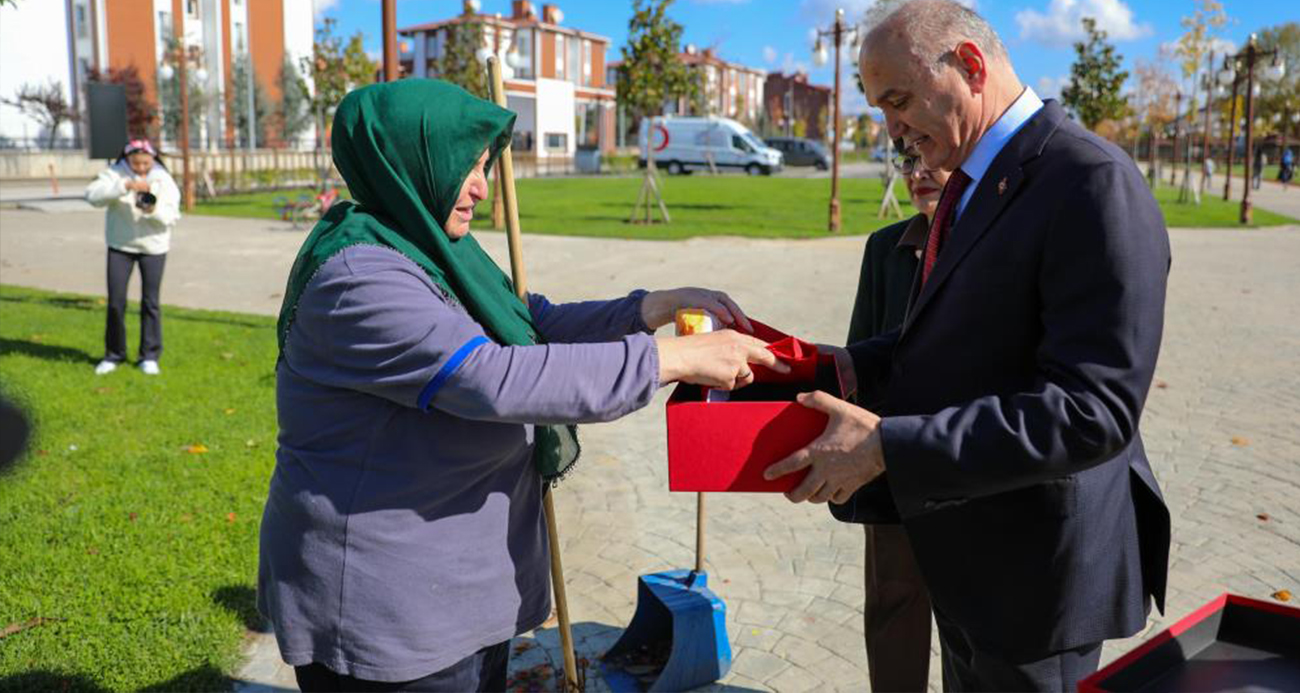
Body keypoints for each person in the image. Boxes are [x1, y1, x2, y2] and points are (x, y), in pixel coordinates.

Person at [258, 79, 786, 693]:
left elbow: (528, 324)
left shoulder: (426, 247)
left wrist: (650, 308)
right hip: (390, 607)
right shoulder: (359, 278)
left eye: (483, 166)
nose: (481, 187)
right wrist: (670, 360)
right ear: (411, 160)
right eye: (466, 167)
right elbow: (492, 377)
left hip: (456, 589)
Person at [765, 1, 1171, 691]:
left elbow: (1091, 411)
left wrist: (887, 447)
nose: (892, 130)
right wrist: (833, 366)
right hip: (970, 558)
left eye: (899, 100)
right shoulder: (982, 180)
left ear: (971, 66)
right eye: (879, 108)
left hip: (1039, 584)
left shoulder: (1089, 182)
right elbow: (958, 332)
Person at [834, 142, 949, 692]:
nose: (917, 172)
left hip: (964, 463)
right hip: (890, 466)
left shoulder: (986, 249)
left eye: (928, 156)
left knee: (968, 627)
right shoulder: (884, 248)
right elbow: (859, 354)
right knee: (893, 607)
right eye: (906, 162)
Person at [85, 139, 181, 376]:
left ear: (153, 159)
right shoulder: (115, 174)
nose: (140, 167)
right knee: (116, 302)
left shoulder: (163, 179)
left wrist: (152, 210)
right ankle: (113, 354)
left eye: (145, 162)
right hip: (120, 246)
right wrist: (124, 186)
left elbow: (172, 216)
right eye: (135, 162)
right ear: (127, 159)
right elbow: (92, 196)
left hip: (154, 248)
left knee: (151, 303)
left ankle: (149, 356)